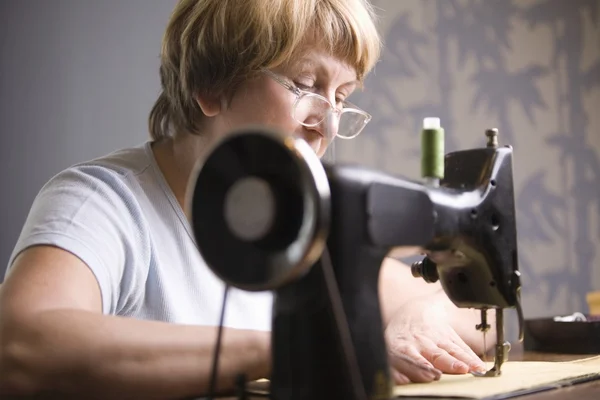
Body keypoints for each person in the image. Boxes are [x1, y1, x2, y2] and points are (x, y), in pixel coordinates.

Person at [0, 0, 493, 398]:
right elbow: (20, 347)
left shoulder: (302, 218)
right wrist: (291, 350)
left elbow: (480, 317)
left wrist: (420, 315)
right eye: (306, 85)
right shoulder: (103, 203)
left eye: (342, 97)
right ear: (210, 85)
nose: (330, 126)